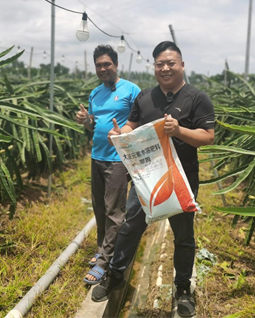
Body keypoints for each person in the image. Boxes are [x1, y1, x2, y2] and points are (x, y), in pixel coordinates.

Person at [91, 41, 215, 317]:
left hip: (180, 179)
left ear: (182, 65)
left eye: (171, 63)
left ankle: (183, 289)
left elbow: (207, 136)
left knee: (183, 236)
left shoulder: (197, 98)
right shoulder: (145, 98)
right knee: (129, 227)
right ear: (154, 68)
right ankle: (116, 275)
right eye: (160, 64)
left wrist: (180, 130)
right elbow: (131, 126)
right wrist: (118, 134)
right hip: (146, 178)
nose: (166, 68)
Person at [75, 45, 141, 285]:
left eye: (106, 64)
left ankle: (105, 262)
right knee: (100, 209)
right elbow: (93, 125)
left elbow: (140, 121)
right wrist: (85, 121)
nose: (103, 69)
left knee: (115, 211)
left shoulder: (131, 90)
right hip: (97, 156)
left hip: (118, 160)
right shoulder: (95, 93)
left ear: (115, 65)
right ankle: (103, 249)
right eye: (99, 65)